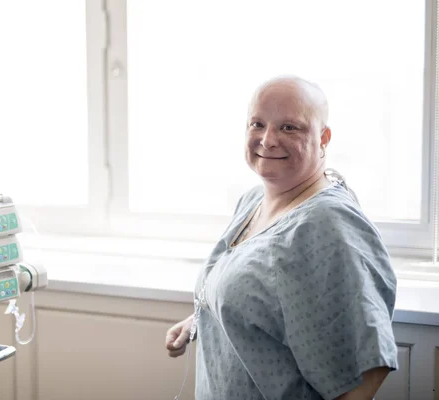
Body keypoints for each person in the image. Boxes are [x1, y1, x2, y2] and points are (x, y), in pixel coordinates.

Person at [165, 76, 398, 400]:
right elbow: (264, 292)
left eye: (290, 127)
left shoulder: (330, 225)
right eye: (257, 124)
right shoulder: (253, 201)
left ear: (324, 138)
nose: (268, 139)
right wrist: (201, 318)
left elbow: (367, 371)